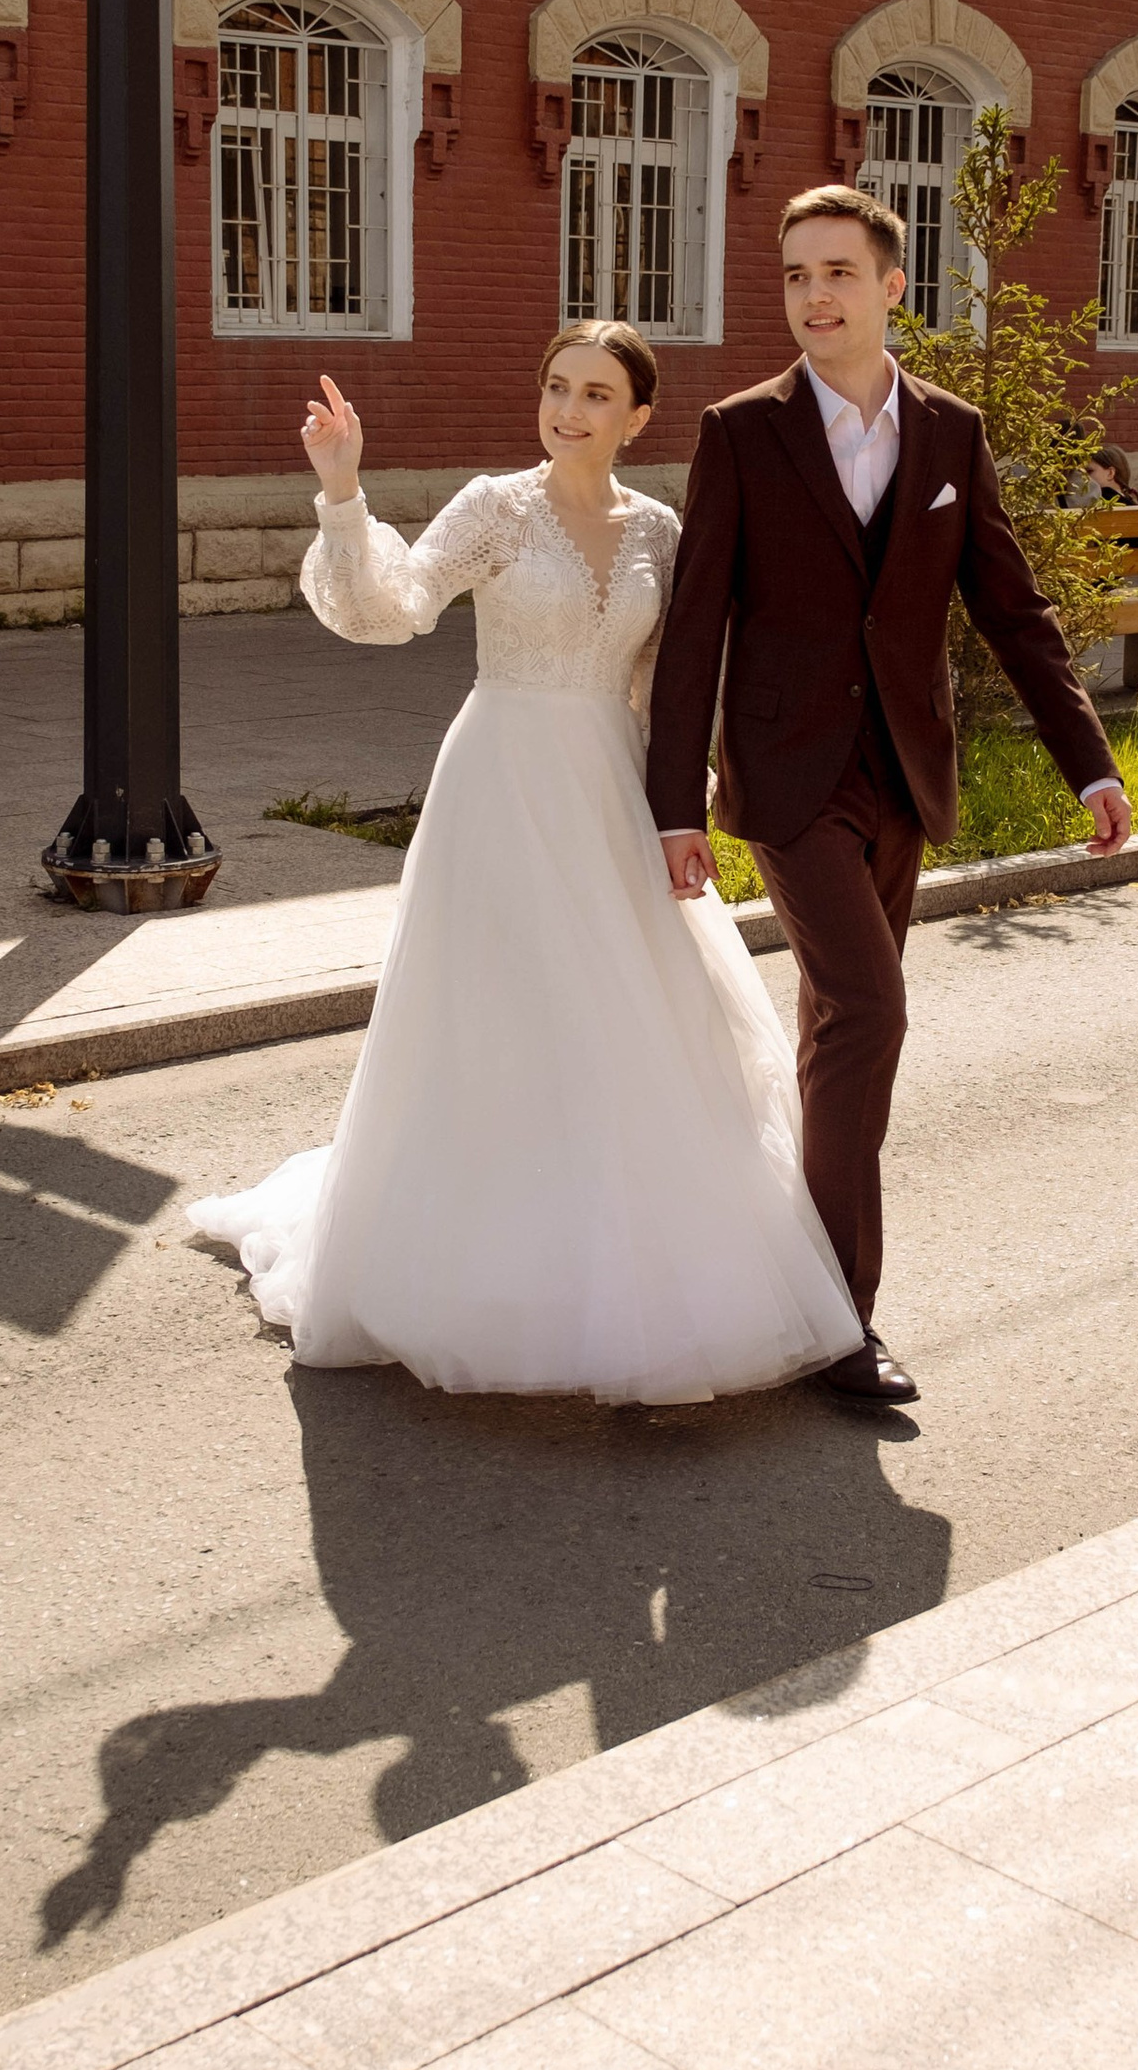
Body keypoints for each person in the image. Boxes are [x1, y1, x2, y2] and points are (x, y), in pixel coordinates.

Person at [184, 322, 858, 1403]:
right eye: (555, 387)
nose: (568, 410)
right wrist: (343, 492)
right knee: (494, 1015)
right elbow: (388, 609)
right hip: (499, 783)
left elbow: (664, 689)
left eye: (596, 394)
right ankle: (465, 1261)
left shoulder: (660, 532)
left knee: (628, 1015)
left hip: (611, 785)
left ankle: (618, 1267)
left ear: (638, 418)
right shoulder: (496, 505)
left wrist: (677, 814)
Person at [646, 186, 1133, 1406]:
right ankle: (838, 1323)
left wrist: (1090, 760)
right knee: (869, 1014)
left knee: (830, 1033)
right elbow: (695, 623)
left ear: (891, 287)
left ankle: (791, 1275)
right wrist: (674, 802)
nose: (815, 296)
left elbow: (1011, 610)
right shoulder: (741, 433)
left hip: (905, 780)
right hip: (787, 779)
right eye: (797, 275)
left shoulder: (951, 436)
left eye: (839, 274)